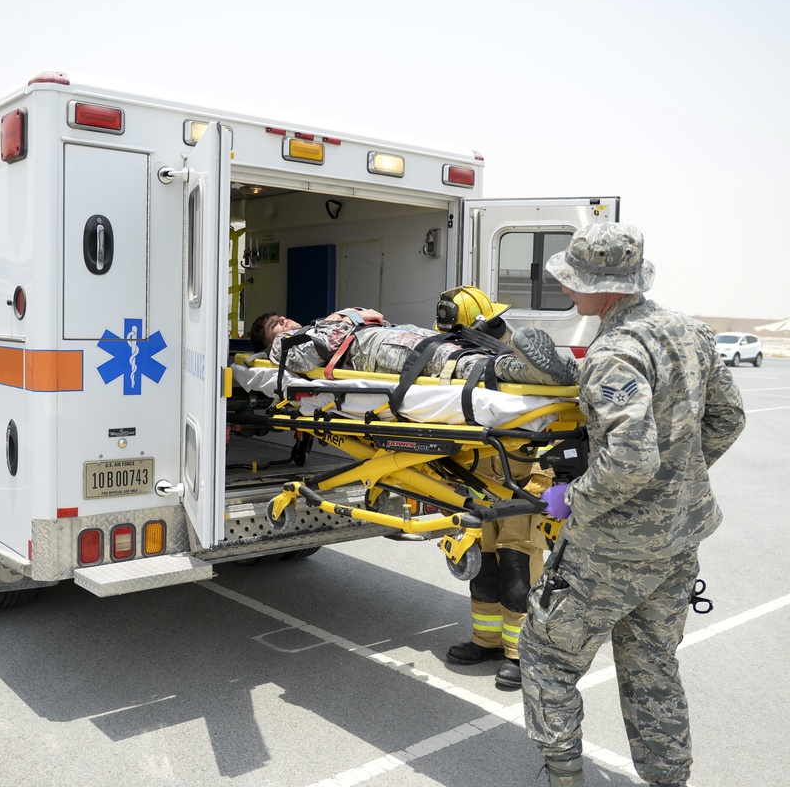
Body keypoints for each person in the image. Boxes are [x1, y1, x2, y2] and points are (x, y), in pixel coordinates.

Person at [519, 224, 746, 787]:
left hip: (611, 548)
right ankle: (669, 780)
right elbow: (729, 419)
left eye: (574, 282)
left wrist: (572, 498)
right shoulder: (688, 332)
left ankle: (564, 777)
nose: (569, 291)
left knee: (547, 656)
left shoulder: (614, 353)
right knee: (652, 669)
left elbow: (630, 461)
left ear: (604, 288)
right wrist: (680, 482)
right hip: (677, 543)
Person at [436, 286, 549, 690]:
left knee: (519, 571)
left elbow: (553, 431)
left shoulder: (525, 367)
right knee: (483, 567)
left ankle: (522, 653)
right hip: (478, 486)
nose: (504, 330)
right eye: (496, 324)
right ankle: (485, 641)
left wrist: (542, 487)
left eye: (501, 324)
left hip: (521, 487)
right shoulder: (454, 368)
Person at [249, 304, 578, 387]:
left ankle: (555, 369)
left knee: (455, 346)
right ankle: (534, 373)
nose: (283, 322)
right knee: (448, 361)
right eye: (273, 325)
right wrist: (350, 316)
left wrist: (351, 315)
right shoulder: (283, 347)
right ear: (268, 340)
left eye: (281, 318)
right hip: (372, 351)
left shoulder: (316, 325)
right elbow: (305, 357)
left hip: (389, 336)